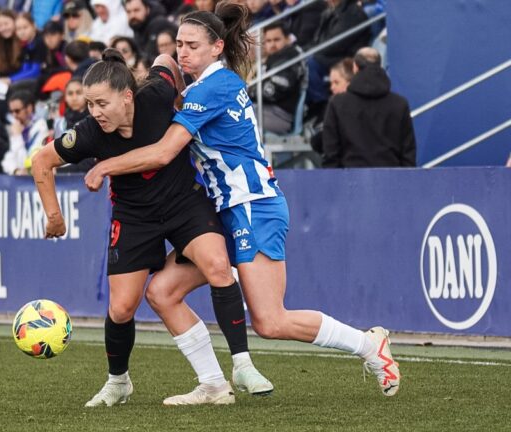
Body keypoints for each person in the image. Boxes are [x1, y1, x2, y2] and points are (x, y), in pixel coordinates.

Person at [84, 1, 401, 398]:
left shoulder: (214, 86)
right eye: (180, 44)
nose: (182, 52)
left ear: (217, 47)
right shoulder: (206, 85)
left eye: (192, 45)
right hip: (227, 210)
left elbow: (165, 152)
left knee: (270, 321)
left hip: (252, 205)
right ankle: (214, 384)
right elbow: (168, 74)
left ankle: (370, 345)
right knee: (161, 292)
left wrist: (105, 166)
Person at [32, 48, 273, 407]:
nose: (95, 112)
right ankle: (119, 383)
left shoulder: (157, 95)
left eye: (102, 103)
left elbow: (164, 58)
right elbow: (41, 160)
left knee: (218, 265)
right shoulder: (88, 133)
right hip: (133, 216)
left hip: (183, 203)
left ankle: (243, 364)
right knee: (121, 309)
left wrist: (178, 98)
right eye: (90, 104)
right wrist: (53, 215)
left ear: (128, 96)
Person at [322, 47, 416, 168]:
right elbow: (408, 153)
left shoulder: (337, 103)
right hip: (392, 180)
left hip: (350, 181)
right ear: (380, 65)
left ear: (355, 67)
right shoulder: (400, 104)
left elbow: (331, 153)